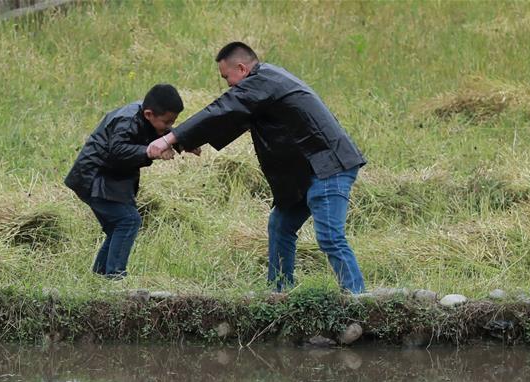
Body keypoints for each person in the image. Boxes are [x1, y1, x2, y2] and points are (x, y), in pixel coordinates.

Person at [149, 42, 367, 293]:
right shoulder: (264, 85)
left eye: (226, 77)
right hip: (307, 171)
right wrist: (186, 142)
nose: (228, 85)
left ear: (241, 68)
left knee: (330, 237)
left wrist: (169, 138)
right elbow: (232, 119)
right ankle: (279, 292)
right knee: (280, 225)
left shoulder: (264, 80)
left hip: (328, 166)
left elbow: (223, 108)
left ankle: (356, 299)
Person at [65, 84, 183, 279]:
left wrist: (183, 143)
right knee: (128, 221)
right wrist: (149, 151)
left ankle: (100, 276)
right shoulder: (126, 121)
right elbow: (117, 150)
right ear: (148, 114)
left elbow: (162, 133)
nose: (169, 126)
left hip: (110, 179)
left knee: (116, 227)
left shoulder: (148, 117)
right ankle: (115, 277)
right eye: (167, 121)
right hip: (93, 179)